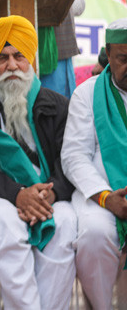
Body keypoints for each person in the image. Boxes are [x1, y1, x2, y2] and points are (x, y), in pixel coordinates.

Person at [0, 15, 76, 309]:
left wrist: (51, 192)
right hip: (0, 193)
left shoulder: (58, 105)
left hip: (50, 190)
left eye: (19, 56)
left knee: (64, 226)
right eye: (2, 58)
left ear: (30, 61)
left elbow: (71, 162)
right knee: (6, 229)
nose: (12, 66)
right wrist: (17, 194)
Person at [61, 18, 127, 310]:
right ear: (109, 55)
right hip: (100, 195)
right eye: (123, 59)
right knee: (94, 236)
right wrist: (105, 197)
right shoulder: (86, 93)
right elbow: (74, 156)